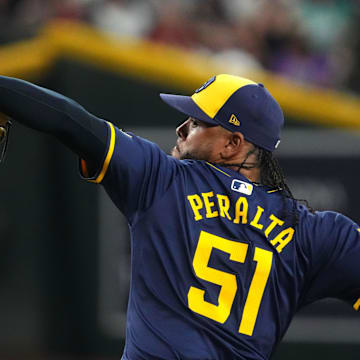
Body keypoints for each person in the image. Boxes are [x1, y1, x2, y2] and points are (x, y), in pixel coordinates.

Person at [0, 74, 359, 359]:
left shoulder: (162, 179)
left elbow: (68, 119)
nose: (181, 129)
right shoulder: (313, 232)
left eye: (197, 121)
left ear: (232, 143)